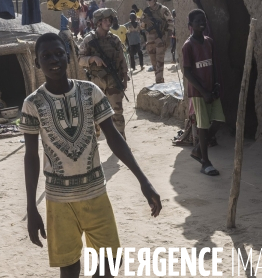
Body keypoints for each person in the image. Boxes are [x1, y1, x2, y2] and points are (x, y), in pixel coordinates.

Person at [21, 33, 162, 278]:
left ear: (68, 56)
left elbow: (114, 138)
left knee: (109, 262)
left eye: (58, 53)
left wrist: (143, 180)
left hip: (95, 192)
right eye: (46, 56)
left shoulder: (90, 92)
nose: (54, 60)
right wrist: (31, 207)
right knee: (69, 266)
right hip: (58, 200)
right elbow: (31, 157)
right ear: (37, 63)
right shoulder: (32, 104)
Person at [182, 10, 225, 176]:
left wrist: (215, 85)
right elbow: (187, 72)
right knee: (202, 125)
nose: (202, 23)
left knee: (219, 121)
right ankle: (205, 162)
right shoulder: (188, 46)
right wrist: (204, 91)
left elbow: (213, 65)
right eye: (198, 21)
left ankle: (199, 148)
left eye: (204, 20)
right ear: (190, 25)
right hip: (199, 92)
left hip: (211, 89)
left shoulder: (209, 42)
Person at [78, 8, 129, 139]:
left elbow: (122, 60)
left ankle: (121, 140)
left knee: (117, 112)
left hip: (113, 80)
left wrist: (124, 79)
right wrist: (92, 59)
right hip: (96, 82)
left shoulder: (115, 40)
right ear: (98, 22)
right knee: (96, 114)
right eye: (105, 20)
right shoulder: (89, 39)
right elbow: (80, 60)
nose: (108, 23)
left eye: (110, 20)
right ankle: (95, 140)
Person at [141, 0, 174, 83]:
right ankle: (159, 79)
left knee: (160, 61)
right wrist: (145, 21)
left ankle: (159, 80)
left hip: (160, 38)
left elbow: (170, 23)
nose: (148, 1)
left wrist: (168, 37)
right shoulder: (146, 11)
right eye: (147, 0)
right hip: (150, 40)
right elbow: (141, 26)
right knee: (154, 63)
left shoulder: (163, 9)